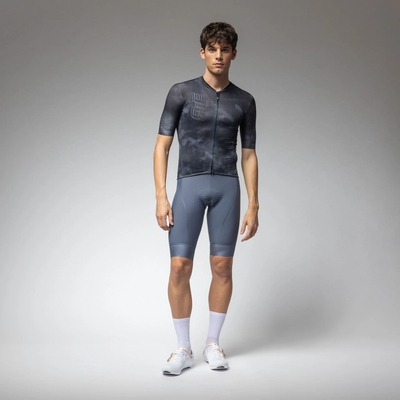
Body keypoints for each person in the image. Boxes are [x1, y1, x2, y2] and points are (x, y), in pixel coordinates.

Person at [153, 22, 259, 375]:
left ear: (233, 54)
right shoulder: (181, 92)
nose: (218, 56)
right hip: (189, 186)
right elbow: (162, 146)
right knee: (179, 267)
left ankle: (213, 343)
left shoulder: (244, 101)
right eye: (212, 49)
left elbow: (249, 155)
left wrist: (254, 203)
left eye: (224, 50)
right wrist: (161, 196)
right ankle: (183, 349)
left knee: (222, 266)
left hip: (227, 187)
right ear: (202, 52)